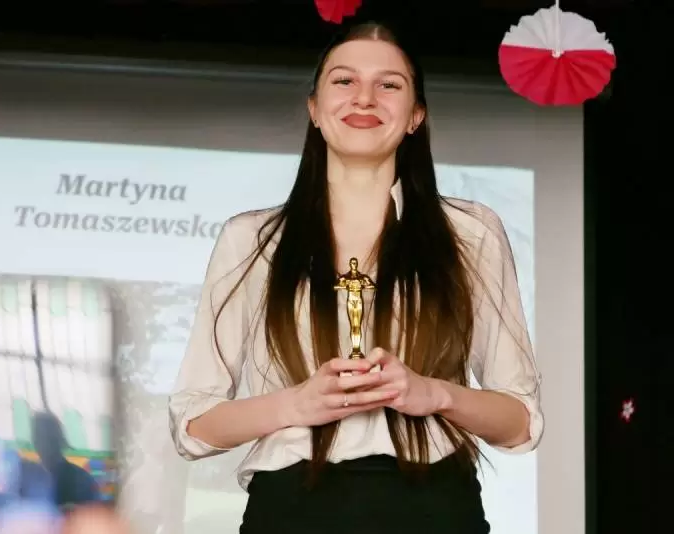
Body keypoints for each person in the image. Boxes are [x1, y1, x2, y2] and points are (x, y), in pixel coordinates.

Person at [168, 21, 543, 534]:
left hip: (435, 506)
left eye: (389, 84)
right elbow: (193, 425)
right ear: (314, 109)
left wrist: (434, 394)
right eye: (344, 81)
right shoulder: (251, 239)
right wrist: (297, 403)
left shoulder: (471, 232)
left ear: (415, 116)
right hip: (292, 508)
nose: (364, 98)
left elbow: (520, 422)